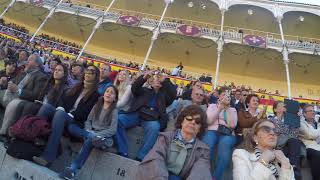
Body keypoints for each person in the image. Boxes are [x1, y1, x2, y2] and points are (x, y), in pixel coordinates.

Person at [33, 65, 100, 166]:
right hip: (63, 114)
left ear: (96, 76)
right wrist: (61, 108)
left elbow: (86, 113)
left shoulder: (96, 95)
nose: (88, 73)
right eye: (87, 70)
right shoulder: (77, 87)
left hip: (76, 121)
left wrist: (68, 113)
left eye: (92, 72)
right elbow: (63, 100)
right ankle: (35, 139)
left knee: (60, 114)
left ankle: (48, 157)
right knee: (46, 107)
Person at [136, 105, 211, 180]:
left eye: (197, 122)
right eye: (189, 118)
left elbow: (201, 171)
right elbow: (156, 158)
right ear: (182, 121)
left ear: (200, 129)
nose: (193, 122)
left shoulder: (203, 150)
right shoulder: (165, 137)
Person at [59, 86, 119, 179]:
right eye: (107, 91)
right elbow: (88, 121)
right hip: (90, 133)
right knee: (71, 127)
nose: (108, 94)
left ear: (115, 98)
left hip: (103, 138)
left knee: (89, 141)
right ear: (103, 94)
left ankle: (72, 170)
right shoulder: (97, 106)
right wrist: (89, 131)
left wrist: (98, 135)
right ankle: (91, 136)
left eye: (112, 93)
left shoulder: (114, 111)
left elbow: (112, 130)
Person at [115, 71, 176, 161]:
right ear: (151, 82)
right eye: (156, 80)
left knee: (155, 127)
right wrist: (144, 77)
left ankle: (141, 156)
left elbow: (173, 94)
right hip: (136, 114)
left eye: (160, 81)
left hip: (151, 119)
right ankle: (122, 149)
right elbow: (134, 88)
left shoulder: (164, 96)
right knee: (118, 120)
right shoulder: (144, 90)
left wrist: (166, 80)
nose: (158, 81)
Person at [0, 54, 48, 136]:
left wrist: (18, 90)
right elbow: (12, 82)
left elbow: (35, 95)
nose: (26, 61)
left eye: (30, 60)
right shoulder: (23, 72)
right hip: (10, 93)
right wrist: (4, 83)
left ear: (36, 64)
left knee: (13, 104)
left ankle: (4, 133)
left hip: (22, 99)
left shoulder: (41, 77)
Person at [201, 87, 238, 180]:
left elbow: (232, 125)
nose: (226, 97)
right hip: (212, 130)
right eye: (223, 95)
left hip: (227, 134)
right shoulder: (212, 106)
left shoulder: (233, 110)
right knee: (208, 144)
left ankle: (216, 177)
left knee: (224, 144)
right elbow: (209, 121)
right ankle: (205, 174)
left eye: (228, 96)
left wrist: (227, 109)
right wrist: (219, 108)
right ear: (218, 97)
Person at [270, 101, 302, 180]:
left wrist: (296, 120)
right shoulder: (271, 120)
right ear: (275, 110)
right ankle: (293, 171)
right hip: (278, 145)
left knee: (294, 141)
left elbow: (295, 134)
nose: (283, 108)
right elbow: (275, 132)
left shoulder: (290, 119)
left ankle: (293, 168)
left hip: (289, 144)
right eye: (280, 107)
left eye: (284, 107)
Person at [299, 104, 320, 180]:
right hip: (308, 147)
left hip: (317, 146)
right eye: (310, 111)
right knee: (317, 155)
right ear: (304, 114)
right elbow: (311, 134)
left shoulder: (316, 122)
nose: (313, 112)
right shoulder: (301, 123)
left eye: (313, 110)